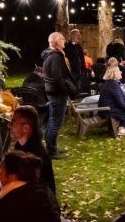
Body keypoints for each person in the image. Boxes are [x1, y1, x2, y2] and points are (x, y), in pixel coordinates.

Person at [41, 32, 76, 160]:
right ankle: (51, 151)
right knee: (55, 122)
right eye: (62, 39)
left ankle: (52, 148)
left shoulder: (51, 55)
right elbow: (57, 78)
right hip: (57, 93)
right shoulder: (55, 57)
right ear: (56, 41)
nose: (65, 41)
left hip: (53, 92)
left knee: (52, 121)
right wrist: (66, 89)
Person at [9, 105, 56, 197]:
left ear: (26, 128)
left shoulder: (36, 157)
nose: (9, 125)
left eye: (13, 122)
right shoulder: (20, 145)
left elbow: (30, 192)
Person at [98, 66, 125, 136]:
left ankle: (122, 127)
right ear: (114, 73)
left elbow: (120, 99)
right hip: (109, 111)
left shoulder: (109, 83)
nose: (121, 72)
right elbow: (120, 104)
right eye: (119, 71)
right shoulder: (114, 85)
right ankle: (121, 128)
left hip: (106, 110)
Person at [63, 28, 85, 93]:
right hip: (71, 71)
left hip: (79, 71)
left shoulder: (79, 46)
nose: (79, 37)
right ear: (72, 35)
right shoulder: (67, 46)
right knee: (72, 87)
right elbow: (66, 59)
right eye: (77, 35)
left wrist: (83, 68)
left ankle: (76, 98)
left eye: (79, 35)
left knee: (78, 87)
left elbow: (82, 59)